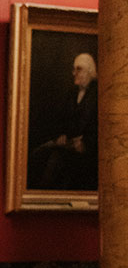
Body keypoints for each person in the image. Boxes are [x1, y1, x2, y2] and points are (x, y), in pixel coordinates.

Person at [29, 53, 98, 191]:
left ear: (89, 70)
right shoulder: (72, 93)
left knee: (56, 162)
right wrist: (62, 134)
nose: (74, 73)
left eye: (78, 69)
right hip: (68, 145)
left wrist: (86, 142)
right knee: (38, 155)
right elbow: (62, 120)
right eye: (74, 69)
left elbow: (103, 128)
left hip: (89, 152)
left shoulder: (99, 93)